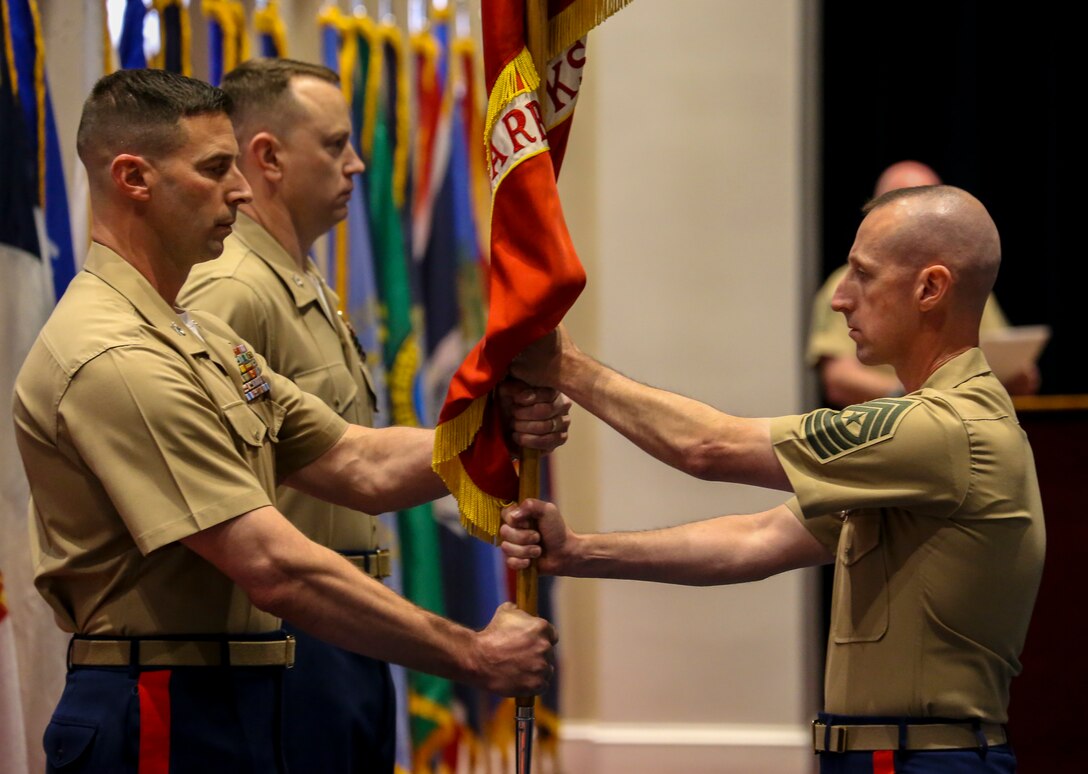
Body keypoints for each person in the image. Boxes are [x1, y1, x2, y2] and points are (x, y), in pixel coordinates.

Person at [12, 68, 563, 774]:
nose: (241, 192)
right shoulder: (114, 354)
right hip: (163, 706)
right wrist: (471, 653)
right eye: (215, 170)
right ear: (133, 179)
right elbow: (269, 564)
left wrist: (494, 435)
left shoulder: (196, 336)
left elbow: (353, 462)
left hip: (237, 690)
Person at [501, 185, 1044, 772]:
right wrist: (579, 551)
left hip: (926, 761)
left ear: (930, 289)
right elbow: (755, 541)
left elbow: (708, 447)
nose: (840, 299)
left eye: (862, 275)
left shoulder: (942, 429)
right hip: (895, 755)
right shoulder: (933, 438)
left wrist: (564, 366)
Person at [176, 58, 464, 773]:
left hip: (344, 628)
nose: (358, 165)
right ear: (267, 158)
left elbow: (349, 448)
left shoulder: (299, 278)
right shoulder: (229, 292)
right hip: (281, 640)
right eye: (336, 145)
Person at [809, 160, 1036, 407]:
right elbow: (839, 380)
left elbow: (1010, 362)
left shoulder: (962, 284)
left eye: (929, 201)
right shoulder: (841, 285)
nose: (840, 301)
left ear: (932, 287)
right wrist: (916, 401)